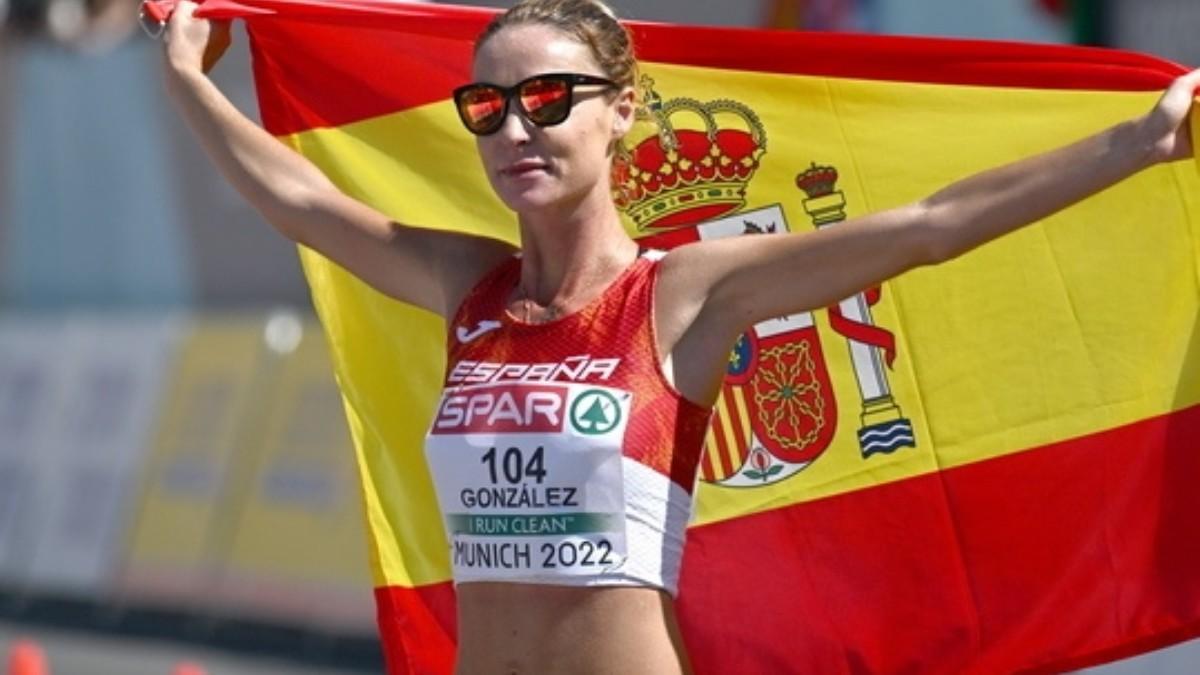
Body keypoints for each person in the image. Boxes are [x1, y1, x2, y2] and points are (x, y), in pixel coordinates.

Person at [160, 0, 1199, 672]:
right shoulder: (464, 285)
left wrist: (1140, 142)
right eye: (488, 105)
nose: (517, 127)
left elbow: (927, 230)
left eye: (548, 99)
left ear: (621, 111)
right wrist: (191, 79)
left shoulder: (684, 296)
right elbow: (297, 198)